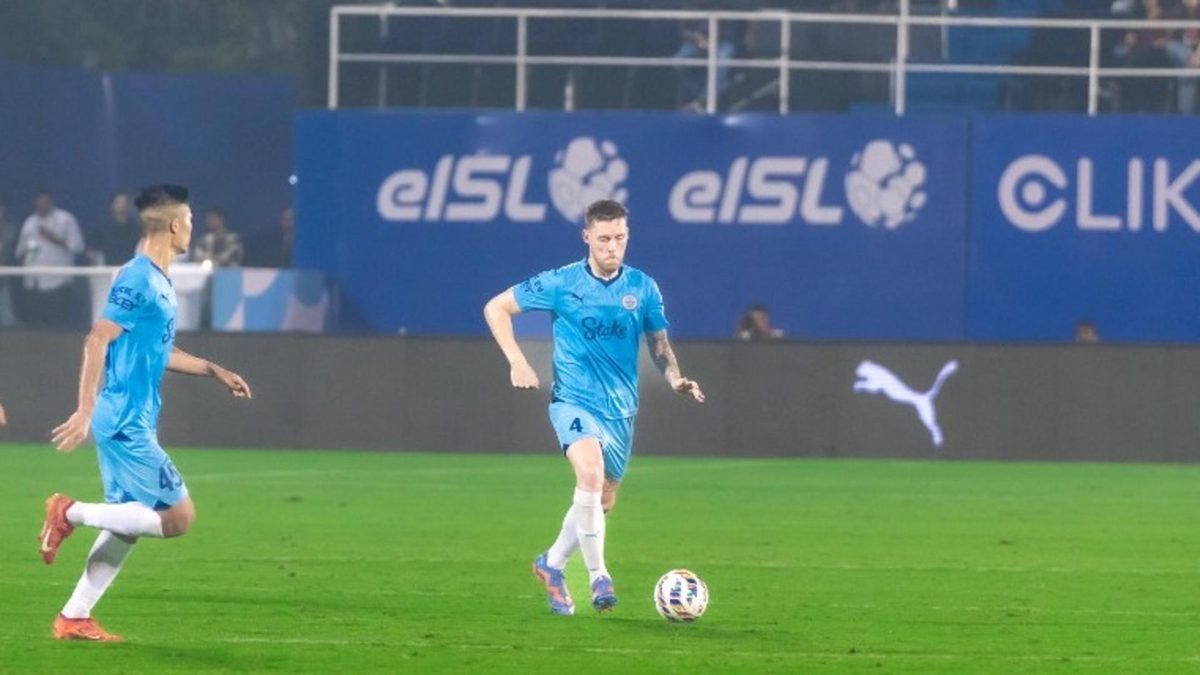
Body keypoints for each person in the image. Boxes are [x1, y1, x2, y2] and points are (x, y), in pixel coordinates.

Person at [39, 184, 252, 642]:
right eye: (189, 219)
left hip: (130, 418)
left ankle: (74, 617)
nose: (192, 227)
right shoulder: (138, 278)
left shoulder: (157, 279)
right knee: (178, 518)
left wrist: (213, 369)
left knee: (127, 525)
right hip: (123, 421)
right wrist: (85, 408)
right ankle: (68, 512)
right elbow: (97, 338)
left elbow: (159, 349)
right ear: (175, 224)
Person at [483, 199, 705, 616]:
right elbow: (496, 307)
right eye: (603, 239)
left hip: (620, 411)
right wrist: (517, 361)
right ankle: (598, 576)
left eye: (619, 238)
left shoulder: (643, 287)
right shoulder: (561, 282)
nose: (612, 247)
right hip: (573, 399)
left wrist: (675, 378)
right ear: (587, 237)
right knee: (589, 473)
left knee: (600, 502)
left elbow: (659, 345)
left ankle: (551, 563)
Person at [15, 191, 85, 326]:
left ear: (50, 201)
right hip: (34, 282)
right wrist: (26, 253)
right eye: (39, 201)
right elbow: (20, 252)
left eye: (45, 201)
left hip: (58, 282)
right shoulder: (30, 222)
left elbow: (77, 246)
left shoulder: (65, 219)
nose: (42, 204)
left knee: (57, 324)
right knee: (36, 325)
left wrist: (53, 238)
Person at [91, 193, 141, 266]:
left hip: (131, 268)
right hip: (109, 268)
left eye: (124, 203)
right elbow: (92, 249)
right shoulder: (103, 228)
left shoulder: (136, 228)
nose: (122, 206)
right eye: (119, 203)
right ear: (112, 206)